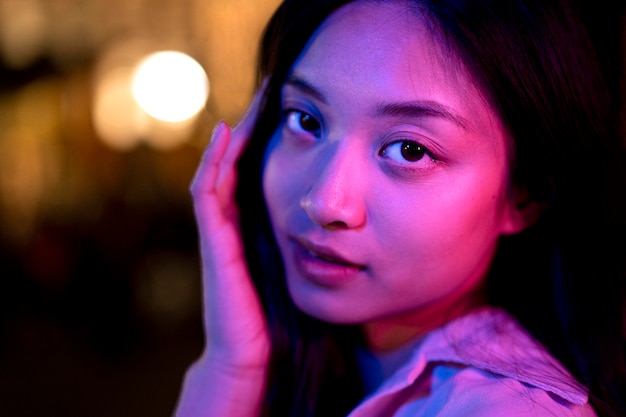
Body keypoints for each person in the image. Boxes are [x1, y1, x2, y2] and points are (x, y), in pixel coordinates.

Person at [175, 0, 626, 416]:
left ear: (523, 196)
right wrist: (231, 369)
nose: (323, 202)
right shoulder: (331, 370)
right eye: (305, 119)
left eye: (410, 150)